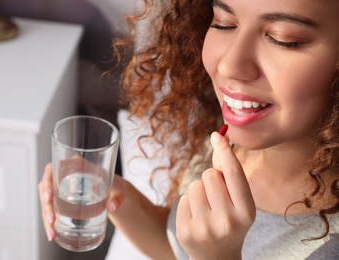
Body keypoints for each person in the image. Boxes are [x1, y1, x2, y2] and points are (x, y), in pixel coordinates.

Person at [39, 0, 339, 259]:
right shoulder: (224, 136)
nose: (230, 65)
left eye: (283, 39)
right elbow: (179, 248)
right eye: (224, 23)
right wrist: (115, 195)